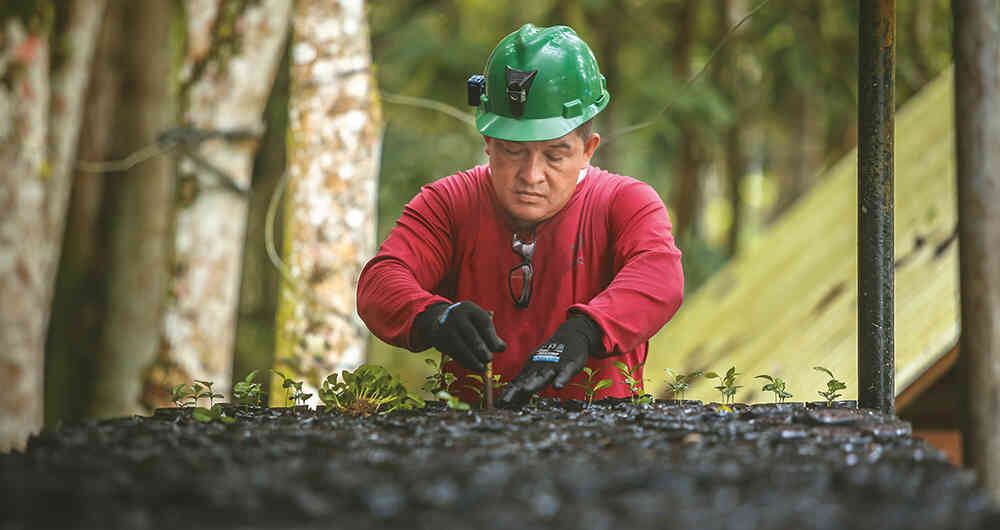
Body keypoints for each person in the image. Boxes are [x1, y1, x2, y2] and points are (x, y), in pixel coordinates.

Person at [357, 24, 683, 408]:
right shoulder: (449, 202)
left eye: (555, 155)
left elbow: (661, 276)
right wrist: (434, 317)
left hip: (600, 440)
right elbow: (380, 281)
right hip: (469, 437)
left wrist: (587, 330)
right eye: (513, 151)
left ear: (587, 149)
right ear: (488, 143)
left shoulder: (624, 202)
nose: (531, 175)